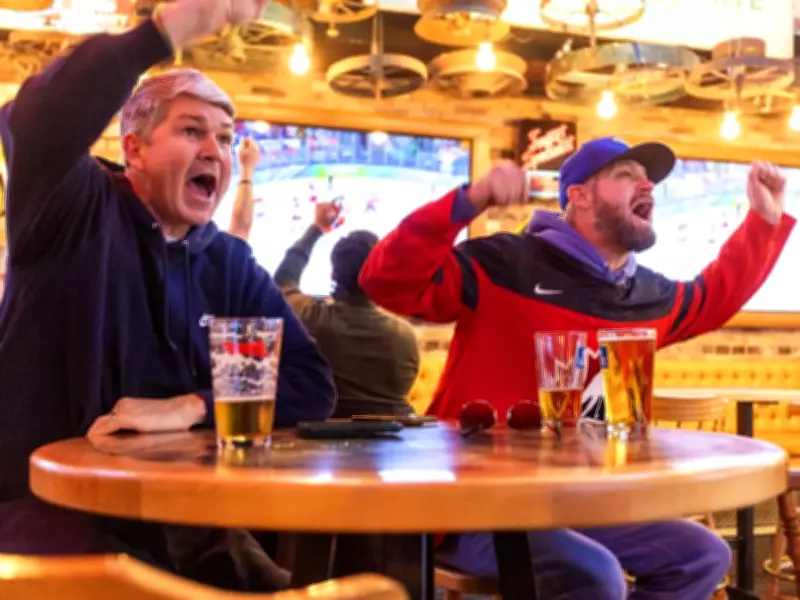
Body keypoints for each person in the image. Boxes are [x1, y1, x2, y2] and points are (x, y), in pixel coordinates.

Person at [359, 136, 794, 599]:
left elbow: (714, 295)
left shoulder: (647, 295)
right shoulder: (503, 264)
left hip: (585, 498)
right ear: (579, 196)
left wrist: (764, 219)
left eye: (649, 179)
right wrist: (471, 199)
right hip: (476, 503)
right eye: (626, 175)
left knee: (702, 555)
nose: (647, 184)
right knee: (596, 575)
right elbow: (386, 280)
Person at [0, 0, 335, 588]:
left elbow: (310, 382)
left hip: (183, 521)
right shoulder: (73, 212)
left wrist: (192, 406)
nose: (216, 151)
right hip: (42, 517)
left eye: (227, 139)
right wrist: (159, 35)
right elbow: (34, 118)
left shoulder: (227, 262)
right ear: (134, 150)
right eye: (191, 130)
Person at [227, 143, 419, 417]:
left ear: (333, 273)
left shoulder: (310, 317)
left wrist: (316, 228)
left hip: (319, 442)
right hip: (392, 445)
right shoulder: (404, 337)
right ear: (382, 275)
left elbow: (283, 282)